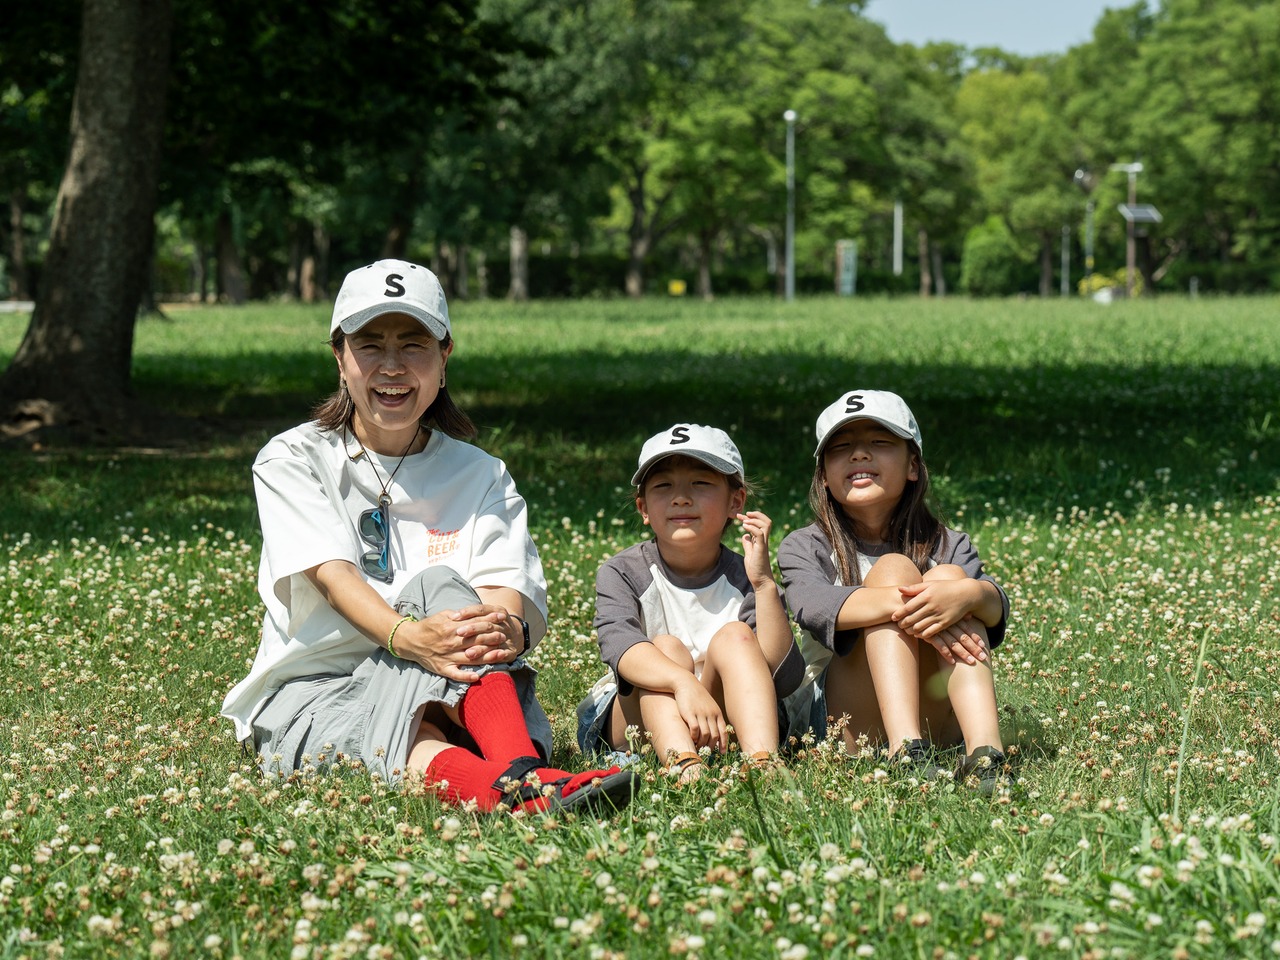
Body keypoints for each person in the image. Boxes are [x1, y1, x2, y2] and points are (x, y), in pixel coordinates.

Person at [221, 258, 634, 815]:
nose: (392, 367)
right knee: (406, 735)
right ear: (340, 358)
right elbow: (334, 577)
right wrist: (407, 637)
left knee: (442, 587)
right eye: (370, 346)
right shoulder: (293, 458)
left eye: (414, 346)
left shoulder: (481, 474)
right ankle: (525, 786)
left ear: (444, 359)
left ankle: (516, 778)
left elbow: (504, 598)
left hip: (462, 690)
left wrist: (504, 629)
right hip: (320, 690)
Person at [778, 390, 1013, 792]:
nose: (859, 454)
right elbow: (811, 606)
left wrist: (967, 597)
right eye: (841, 448)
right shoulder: (804, 545)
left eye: (880, 442)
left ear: (913, 466)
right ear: (823, 476)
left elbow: (994, 608)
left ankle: (985, 754)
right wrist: (919, 603)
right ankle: (905, 750)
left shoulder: (948, 543)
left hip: (937, 714)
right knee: (895, 570)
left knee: (953, 579)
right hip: (842, 723)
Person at [576, 424, 804, 782]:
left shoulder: (748, 575)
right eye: (663, 486)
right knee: (663, 648)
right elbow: (620, 648)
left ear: (735, 502)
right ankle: (684, 765)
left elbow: (783, 677)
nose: (681, 498)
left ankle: (763, 762)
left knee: (737, 636)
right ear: (643, 508)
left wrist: (763, 585)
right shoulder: (621, 571)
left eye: (700, 483)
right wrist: (683, 683)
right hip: (636, 723)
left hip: (723, 716)